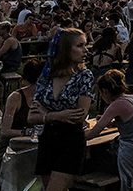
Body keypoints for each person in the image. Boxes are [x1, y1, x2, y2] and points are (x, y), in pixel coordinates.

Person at [28, 28, 95, 191]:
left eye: (85, 45)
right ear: (65, 49)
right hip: (48, 138)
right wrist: (58, 115)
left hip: (70, 140)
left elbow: (79, 116)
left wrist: (46, 114)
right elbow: (31, 116)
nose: (85, 50)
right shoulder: (47, 75)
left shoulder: (84, 76)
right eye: (80, 46)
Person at [86, 70, 133, 191]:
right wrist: (112, 122)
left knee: (93, 154)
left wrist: (72, 136)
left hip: (131, 156)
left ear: (105, 92)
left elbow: (93, 133)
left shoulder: (117, 104)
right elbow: (131, 122)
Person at [0, 58, 43, 159]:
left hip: (36, 145)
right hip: (14, 147)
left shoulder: (47, 98)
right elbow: (5, 131)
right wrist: (29, 132)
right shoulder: (16, 97)